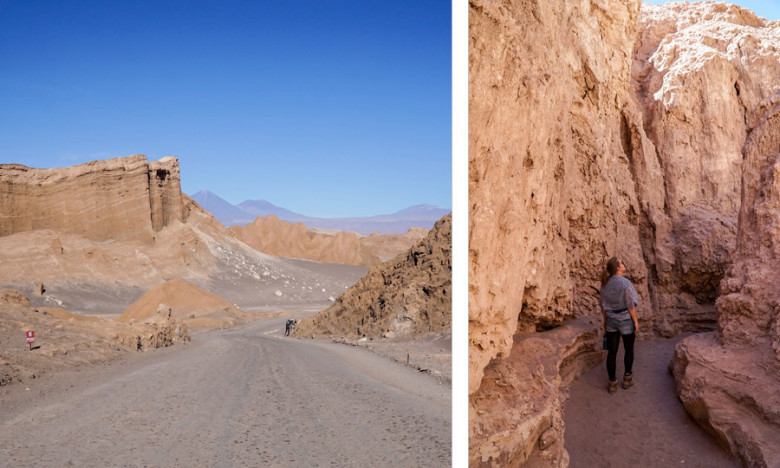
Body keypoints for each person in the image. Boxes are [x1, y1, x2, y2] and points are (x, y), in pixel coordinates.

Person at [600, 257, 639, 394]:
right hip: (625, 320)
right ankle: (627, 379)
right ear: (617, 268)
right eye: (622, 262)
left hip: (611, 320)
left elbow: (603, 306)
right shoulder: (625, 283)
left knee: (612, 352)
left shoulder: (605, 283)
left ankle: (612, 383)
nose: (624, 264)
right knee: (629, 349)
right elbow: (630, 304)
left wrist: (604, 321)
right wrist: (635, 320)